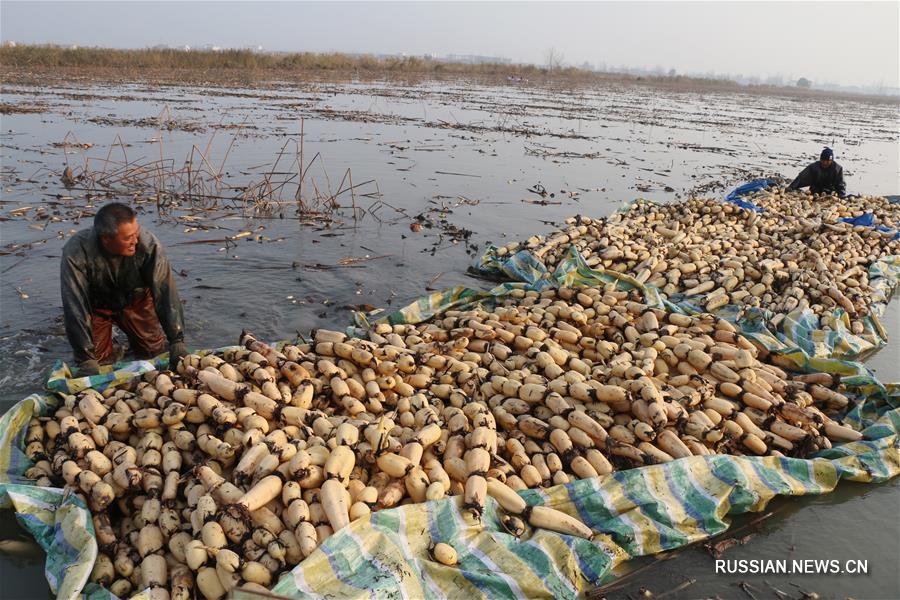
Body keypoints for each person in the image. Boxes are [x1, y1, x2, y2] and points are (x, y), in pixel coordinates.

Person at [61, 202, 187, 375]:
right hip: (97, 305)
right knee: (97, 363)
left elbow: (165, 291)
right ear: (106, 238)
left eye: (136, 233)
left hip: (136, 300)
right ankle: (110, 348)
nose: (135, 241)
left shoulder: (149, 245)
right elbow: (74, 303)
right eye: (128, 238)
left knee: (153, 354)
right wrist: (85, 357)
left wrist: (177, 339)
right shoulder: (76, 252)